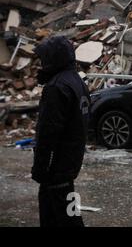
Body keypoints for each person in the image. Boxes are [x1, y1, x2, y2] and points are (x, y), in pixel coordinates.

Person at [32, 36, 90, 227]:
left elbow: (48, 133)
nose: (41, 64)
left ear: (53, 58)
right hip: (70, 161)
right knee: (60, 212)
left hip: (56, 166)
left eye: (44, 59)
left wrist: (41, 166)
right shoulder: (77, 82)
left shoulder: (57, 87)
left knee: (65, 218)